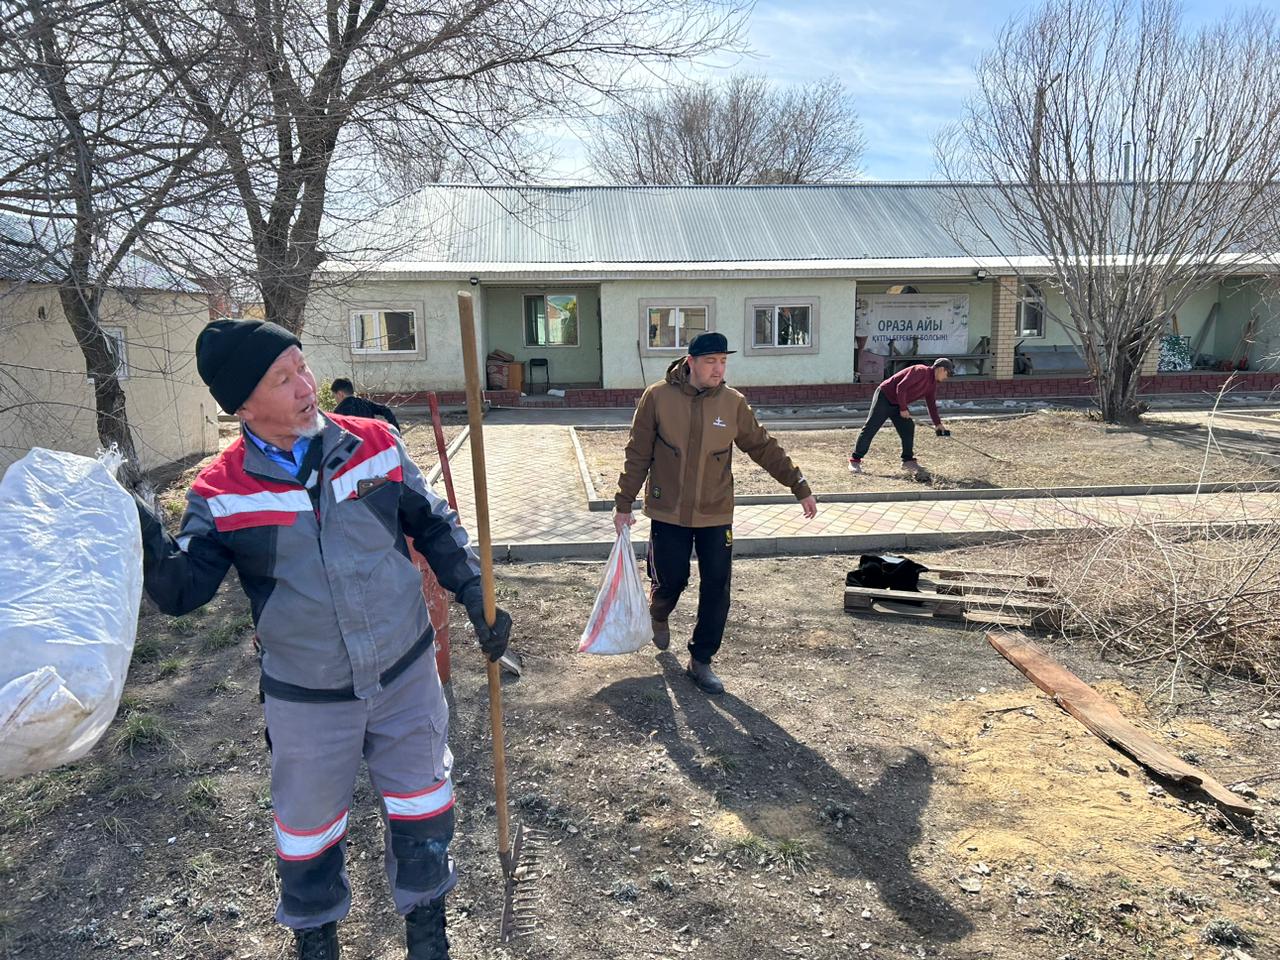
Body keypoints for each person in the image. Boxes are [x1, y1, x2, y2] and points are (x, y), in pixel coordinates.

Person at [134, 319, 510, 960]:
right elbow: (183, 591)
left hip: (404, 673)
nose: (307, 386)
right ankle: (316, 942)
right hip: (306, 697)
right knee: (307, 836)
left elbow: (433, 525)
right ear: (243, 406)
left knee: (423, 810)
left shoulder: (375, 445)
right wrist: (141, 531)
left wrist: (475, 590)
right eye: (283, 378)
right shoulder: (222, 490)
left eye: (302, 366)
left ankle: (428, 936)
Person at [613, 331, 818, 695]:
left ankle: (701, 659)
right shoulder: (657, 397)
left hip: (715, 512)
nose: (718, 369)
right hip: (669, 510)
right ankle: (659, 611)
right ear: (690, 362)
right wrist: (623, 502)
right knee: (671, 579)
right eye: (711, 361)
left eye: (723, 362)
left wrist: (798, 484)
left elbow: (763, 446)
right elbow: (638, 452)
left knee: (717, 587)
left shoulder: (732, 403)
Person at [848, 358, 954, 476]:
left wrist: (938, 424)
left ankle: (907, 461)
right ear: (941, 369)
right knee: (871, 427)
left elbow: (931, 405)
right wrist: (903, 408)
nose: (947, 377)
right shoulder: (920, 370)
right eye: (948, 373)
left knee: (908, 427)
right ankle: (855, 460)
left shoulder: (932, 384)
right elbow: (901, 387)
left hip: (898, 402)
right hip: (885, 396)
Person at [331, 377, 401, 431]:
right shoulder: (365, 403)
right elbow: (386, 410)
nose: (335, 399)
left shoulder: (338, 412)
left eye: (334, 396)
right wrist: (396, 431)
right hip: (371, 442)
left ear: (340, 394)